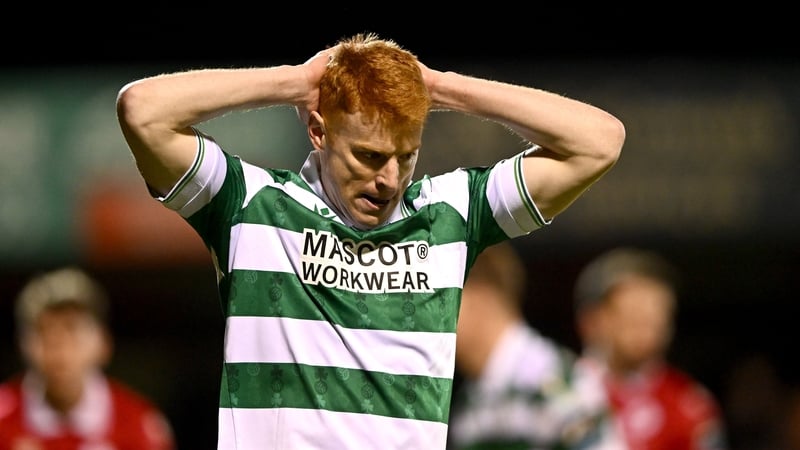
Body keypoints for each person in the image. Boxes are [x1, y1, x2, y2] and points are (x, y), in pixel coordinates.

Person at [115, 32, 625, 449]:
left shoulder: (449, 214)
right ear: (318, 131)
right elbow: (142, 110)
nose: (389, 179)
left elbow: (599, 141)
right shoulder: (254, 206)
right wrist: (295, 81)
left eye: (406, 156)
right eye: (368, 156)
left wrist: (441, 87)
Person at [447, 241, 626, 449]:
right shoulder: (470, 397)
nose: (424, 321)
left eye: (437, 301)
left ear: (480, 296)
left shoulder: (556, 380)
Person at [0, 266, 176, 450]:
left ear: (103, 343)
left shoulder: (140, 424)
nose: (58, 345)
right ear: (23, 345)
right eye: (44, 332)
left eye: (71, 329)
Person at [573, 247, 728, 450]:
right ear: (594, 320)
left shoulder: (690, 404)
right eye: (634, 316)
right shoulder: (564, 390)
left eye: (657, 318)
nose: (647, 330)